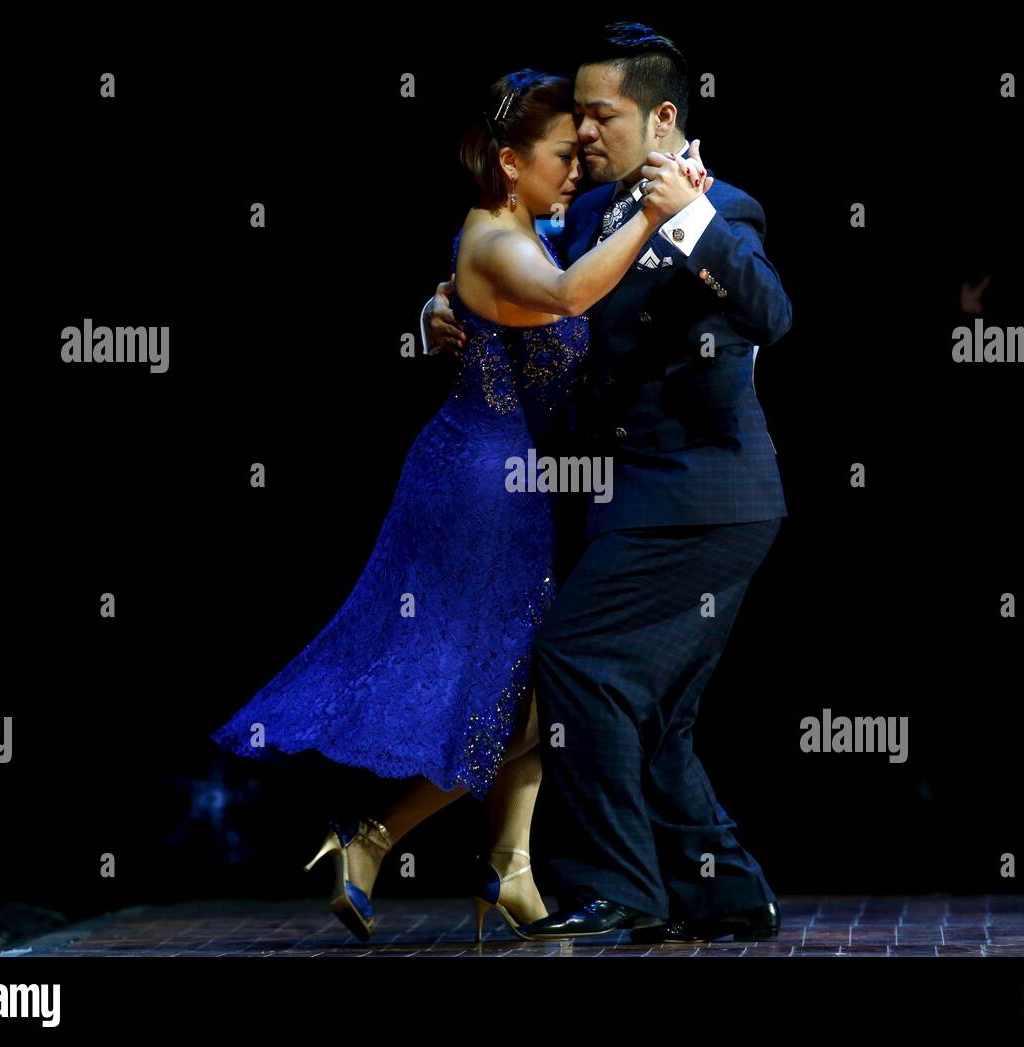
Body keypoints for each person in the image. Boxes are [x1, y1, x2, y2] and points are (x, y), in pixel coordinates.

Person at [210, 67, 705, 944]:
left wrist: (436, 306)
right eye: (562, 153)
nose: (578, 164)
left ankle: (506, 864)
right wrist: (659, 217)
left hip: (503, 472)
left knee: (529, 682)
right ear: (512, 164)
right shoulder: (501, 243)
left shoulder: (520, 223)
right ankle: (374, 839)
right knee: (501, 694)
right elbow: (563, 295)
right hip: (483, 482)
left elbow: (505, 285)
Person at [423, 23, 792, 943]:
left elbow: (773, 314)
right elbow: (512, 266)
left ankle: (623, 884)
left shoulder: (727, 209)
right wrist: (438, 304)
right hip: (635, 496)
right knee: (654, 710)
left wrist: (691, 220)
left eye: (601, 114)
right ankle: (728, 890)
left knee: (577, 659)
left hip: (705, 499)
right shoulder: (587, 216)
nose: (583, 132)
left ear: (662, 117)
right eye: (578, 116)